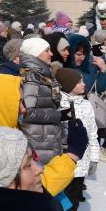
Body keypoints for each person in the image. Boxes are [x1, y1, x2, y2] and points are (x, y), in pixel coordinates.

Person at [55, 68, 99, 211]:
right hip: (63, 160)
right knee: (60, 197)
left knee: (73, 199)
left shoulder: (86, 104)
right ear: (68, 84)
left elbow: (92, 132)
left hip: (81, 161)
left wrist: (94, 156)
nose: (83, 84)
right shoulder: (59, 104)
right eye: (79, 81)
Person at [19, 37, 64, 165]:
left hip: (45, 139)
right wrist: (59, 115)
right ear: (35, 53)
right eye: (47, 50)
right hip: (38, 141)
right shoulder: (32, 76)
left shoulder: (43, 74)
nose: (51, 54)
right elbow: (29, 112)